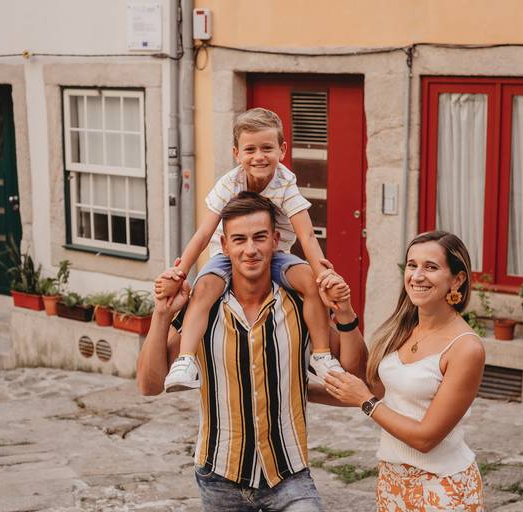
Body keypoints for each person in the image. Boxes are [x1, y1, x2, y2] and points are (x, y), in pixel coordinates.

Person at [137, 192, 367, 512]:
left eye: (260, 237)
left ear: (275, 240)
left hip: (289, 473)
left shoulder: (300, 304)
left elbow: (355, 373)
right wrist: (161, 314)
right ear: (225, 245)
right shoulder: (201, 311)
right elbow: (149, 386)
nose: (250, 249)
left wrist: (345, 313)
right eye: (240, 240)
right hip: (220, 476)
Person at [154, 107, 346, 392]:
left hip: (275, 253)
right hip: (227, 253)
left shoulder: (286, 185)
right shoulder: (229, 184)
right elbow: (204, 233)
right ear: (237, 153)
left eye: (267, 148)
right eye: (250, 149)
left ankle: (320, 355)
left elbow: (306, 235)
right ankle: (186, 359)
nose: (259, 156)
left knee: (308, 280)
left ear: (282, 150)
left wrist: (323, 276)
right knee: (205, 286)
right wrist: (179, 272)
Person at [323, 231, 486, 511]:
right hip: (391, 482)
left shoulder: (466, 348)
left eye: (431, 267)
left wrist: (366, 401)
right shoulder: (402, 329)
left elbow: (426, 438)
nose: (417, 276)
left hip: (444, 488)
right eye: (412, 265)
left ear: (457, 279)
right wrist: (345, 314)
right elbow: (369, 386)